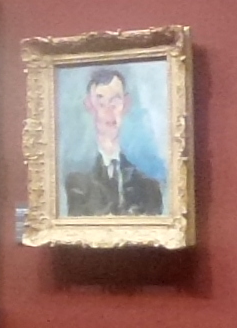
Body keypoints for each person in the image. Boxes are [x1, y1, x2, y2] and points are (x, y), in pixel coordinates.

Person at [62, 67, 164, 217]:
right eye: (101, 103)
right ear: (89, 105)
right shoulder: (77, 180)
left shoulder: (149, 186)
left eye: (115, 102)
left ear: (126, 104)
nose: (109, 111)